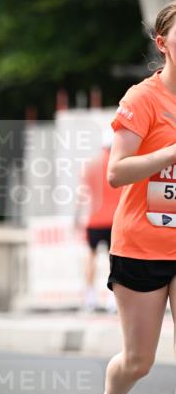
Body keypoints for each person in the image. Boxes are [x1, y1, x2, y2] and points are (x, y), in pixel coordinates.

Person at [84, 0, 176, 394]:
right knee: (138, 361)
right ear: (163, 44)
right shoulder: (143, 100)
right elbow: (117, 172)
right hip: (142, 242)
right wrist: (170, 153)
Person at [76, 128, 122, 312]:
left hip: (94, 219)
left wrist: (77, 217)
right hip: (116, 220)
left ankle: (90, 297)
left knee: (91, 257)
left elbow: (82, 194)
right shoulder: (118, 166)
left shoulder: (91, 165)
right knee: (115, 260)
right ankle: (113, 298)